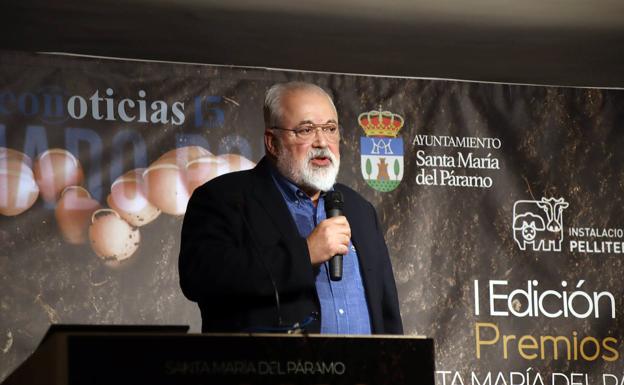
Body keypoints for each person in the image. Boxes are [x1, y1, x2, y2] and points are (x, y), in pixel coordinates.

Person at [178, 81, 403, 334]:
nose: (322, 142)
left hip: (366, 371)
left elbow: (386, 310)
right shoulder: (223, 199)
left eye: (330, 128)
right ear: (273, 143)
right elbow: (200, 279)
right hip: (274, 370)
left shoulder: (359, 208)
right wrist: (304, 254)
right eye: (306, 130)